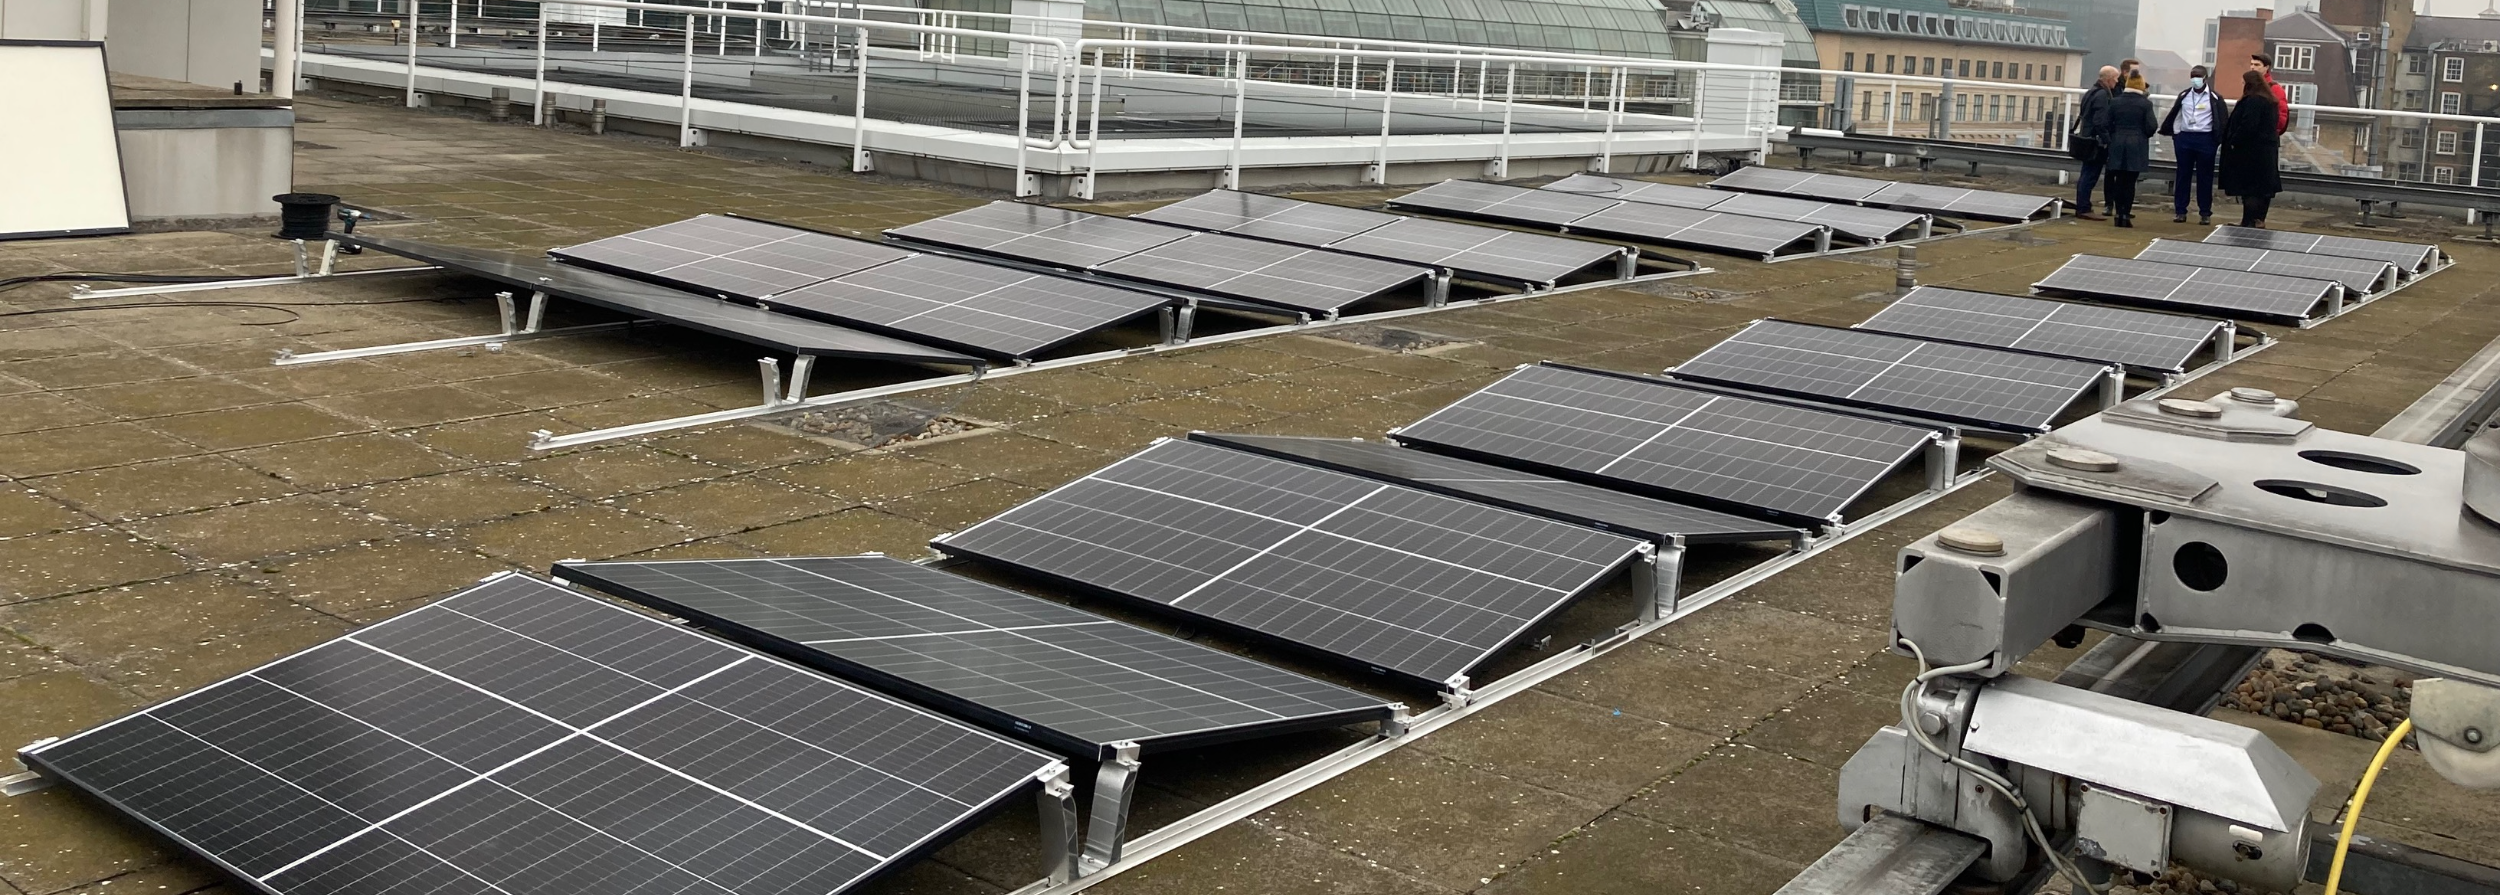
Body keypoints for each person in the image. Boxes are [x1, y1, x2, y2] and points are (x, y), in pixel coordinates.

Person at [2160, 64, 2227, 224]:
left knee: (2205, 177)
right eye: (2192, 76)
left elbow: (2222, 120)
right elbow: (2176, 115)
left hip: (2205, 139)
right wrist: (2177, 136)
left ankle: (2205, 212)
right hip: (2185, 138)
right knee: (2183, 175)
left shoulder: (2215, 98)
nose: (2194, 79)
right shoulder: (2184, 95)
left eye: (2197, 76)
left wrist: (2216, 140)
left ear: (2204, 78)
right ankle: (2180, 211)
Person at [2219, 69, 2283, 228]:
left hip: (2251, 152)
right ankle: (2258, 220)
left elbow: (2248, 125)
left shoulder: (2253, 101)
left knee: (2250, 189)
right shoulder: (2270, 101)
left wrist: (2234, 141)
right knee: (2262, 189)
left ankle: (2249, 221)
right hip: (2265, 152)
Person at [2104, 71, 2161, 228]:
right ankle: (2125, 215)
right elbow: (2151, 126)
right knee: (2130, 182)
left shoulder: (2115, 102)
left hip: (2117, 143)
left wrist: (2113, 136)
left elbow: (2107, 123)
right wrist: (2142, 135)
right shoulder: (2145, 104)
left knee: (2118, 180)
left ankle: (2117, 213)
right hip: (2136, 144)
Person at [2070, 66, 2120, 221]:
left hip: (2087, 138)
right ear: (2109, 78)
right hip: (2095, 143)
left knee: (2086, 174)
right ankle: (2084, 208)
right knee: (2090, 175)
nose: (2117, 81)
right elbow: (2100, 121)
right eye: (2115, 78)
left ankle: (2083, 206)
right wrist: (2107, 140)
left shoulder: (2091, 92)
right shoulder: (2102, 95)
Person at [2250, 54, 2290, 135]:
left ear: (2266, 67)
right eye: (2251, 64)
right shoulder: (2252, 86)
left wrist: (2271, 132)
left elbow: (2281, 113)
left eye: (2257, 65)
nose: (2252, 67)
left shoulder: (2275, 88)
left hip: (2265, 136)